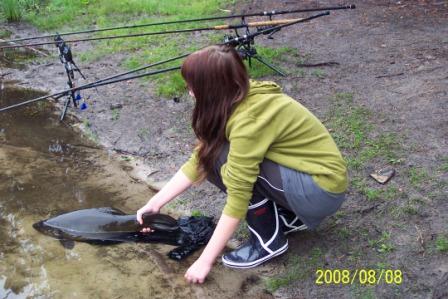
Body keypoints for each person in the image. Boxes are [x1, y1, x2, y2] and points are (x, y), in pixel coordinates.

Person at [136, 45, 348, 284]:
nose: (189, 91)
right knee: (213, 154)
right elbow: (198, 160)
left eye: (192, 85)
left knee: (222, 160)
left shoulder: (249, 118)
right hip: (309, 180)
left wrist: (205, 260)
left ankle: (268, 242)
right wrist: (154, 203)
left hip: (321, 191)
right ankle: (288, 216)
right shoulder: (238, 94)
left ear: (211, 88)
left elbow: (239, 193)